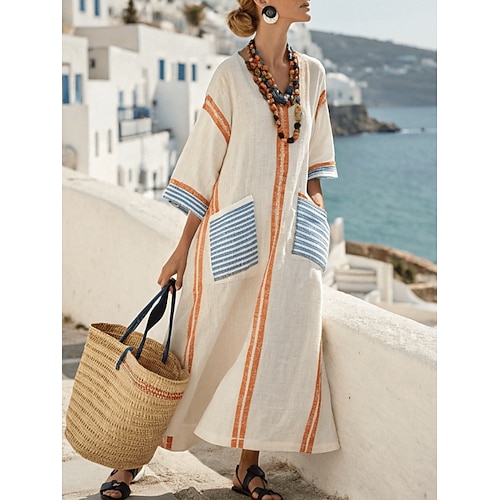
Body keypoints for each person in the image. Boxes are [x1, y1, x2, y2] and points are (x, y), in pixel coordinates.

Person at [100, 0, 340, 498]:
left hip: (291, 251)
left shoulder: (312, 75)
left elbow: (316, 167)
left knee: (270, 351)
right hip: (232, 238)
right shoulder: (231, 75)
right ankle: (130, 458)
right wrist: (181, 250)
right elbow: (204, 166)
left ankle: (247, 468)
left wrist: (316, 230)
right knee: (192, 347)